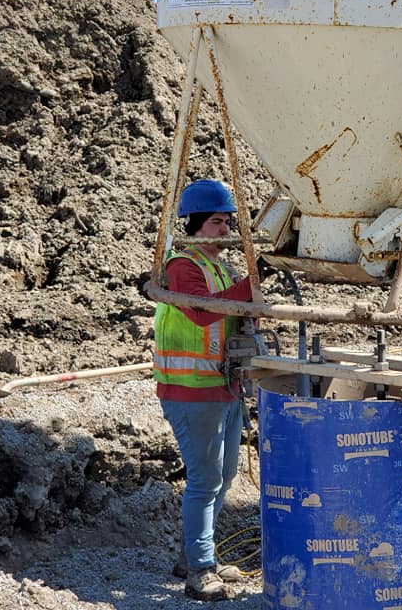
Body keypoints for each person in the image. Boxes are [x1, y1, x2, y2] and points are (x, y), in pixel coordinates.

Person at [153, 178, 253, 602]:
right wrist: (255, 282)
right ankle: (200, 571)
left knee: (223, 475)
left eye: (228, 222)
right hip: (191, 389)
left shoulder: (220, 267)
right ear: (194, 224)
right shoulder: (183, 266)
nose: (225, 229)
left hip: (222, 386)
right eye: (216, 222)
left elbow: (238, 309)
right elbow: (202, 313)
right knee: (205, 478)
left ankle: (195, 554)